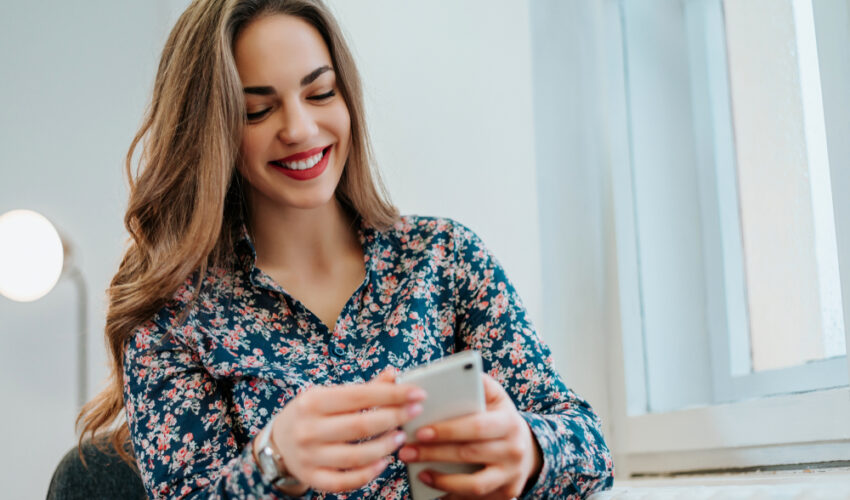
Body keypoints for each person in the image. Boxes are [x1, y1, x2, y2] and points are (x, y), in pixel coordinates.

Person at [77, 0, 614, 498]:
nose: (301, 128)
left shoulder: (443, 257)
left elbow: (589, 446)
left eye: (319, 93)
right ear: (211, 131)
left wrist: (530, 450)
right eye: (258, 111)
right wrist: (271, 462)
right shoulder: (173, 315)